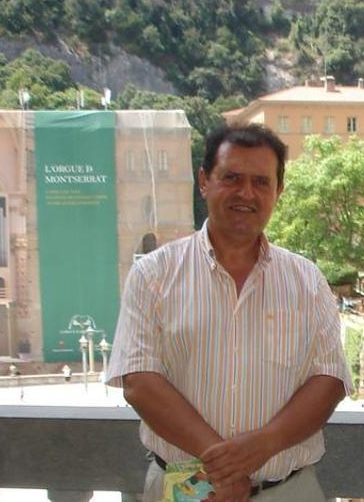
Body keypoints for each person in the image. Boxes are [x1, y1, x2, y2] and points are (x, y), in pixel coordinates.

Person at [107, 124, 351, 502]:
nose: (246, 193)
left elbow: (329, 379)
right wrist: (225, 466)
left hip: (288, 491)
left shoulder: (307, 280)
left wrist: (264, 444)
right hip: (188, 490)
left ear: (278, 191)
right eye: (232, 178)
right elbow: (139, 380)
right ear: (204, 181)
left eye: (261, 182)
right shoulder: (154, 274)